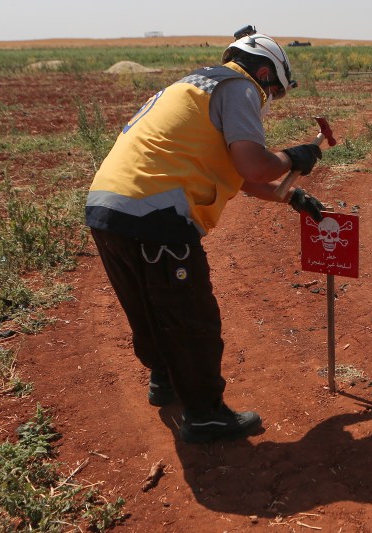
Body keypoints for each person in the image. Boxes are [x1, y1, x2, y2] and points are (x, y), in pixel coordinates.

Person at [85, 29, 326, 443]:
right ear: (265, 72)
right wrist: (296, 156)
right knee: (190, 315)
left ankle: (164, 381)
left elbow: (240, 175)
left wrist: (291, 196)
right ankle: (205, 414)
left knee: (146, 304)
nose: (269, 101)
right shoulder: (241, 86)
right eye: (275, 92)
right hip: (156, 215)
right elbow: (254, 166)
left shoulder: (196, 85)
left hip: (108, 208)